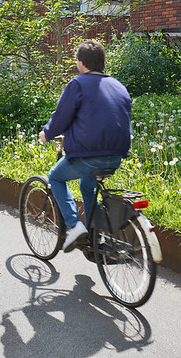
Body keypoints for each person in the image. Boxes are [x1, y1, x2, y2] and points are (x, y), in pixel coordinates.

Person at [38, 40, 132, 252]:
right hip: (116, 155)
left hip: (89, 155)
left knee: (55, 177)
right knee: (86, 186)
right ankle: (94, 234)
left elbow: (61, 117)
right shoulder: (118, 85)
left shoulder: (78, 84)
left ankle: (74, 226)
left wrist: (47, 134)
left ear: (81, 63)